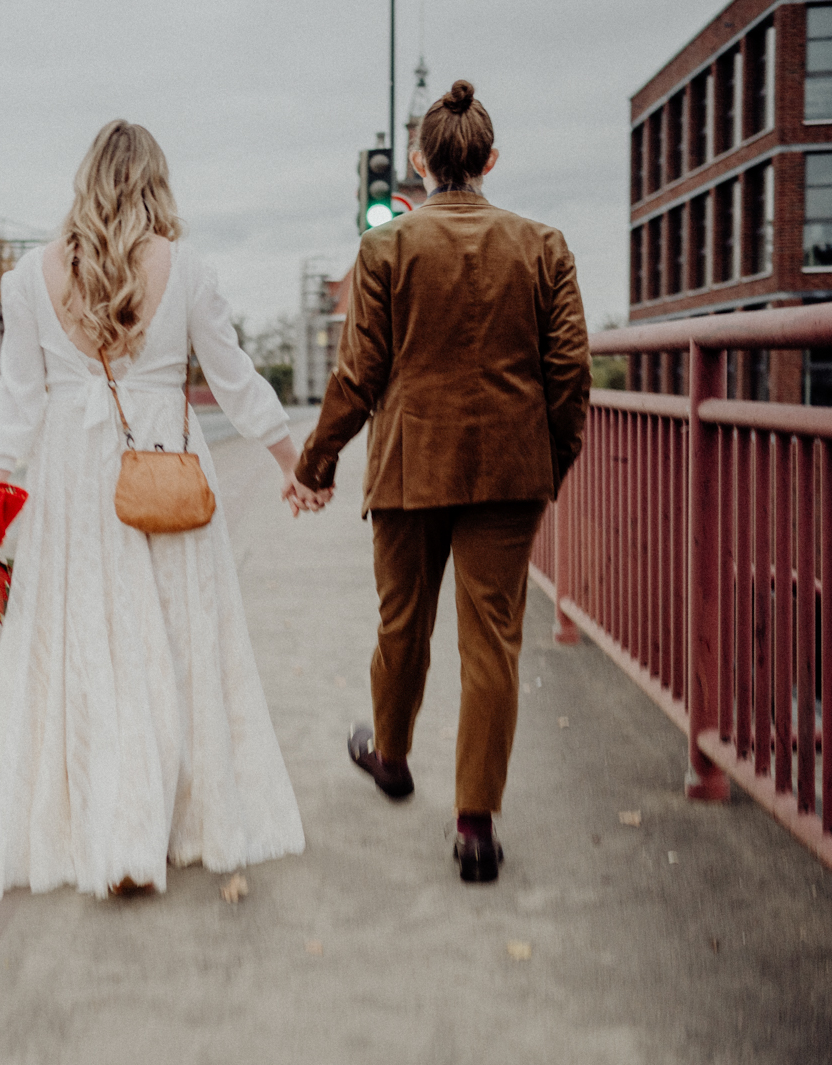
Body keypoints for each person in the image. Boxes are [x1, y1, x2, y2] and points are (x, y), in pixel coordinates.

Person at [0, 120, 307, 900]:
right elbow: (235, 378)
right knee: (175, 645)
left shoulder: (28, 279)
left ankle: (106, 825)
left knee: (86, 647)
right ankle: (166, 823)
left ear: (85, 180)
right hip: (164, 472)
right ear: (155, 182)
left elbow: (18, 400)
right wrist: (292, 464)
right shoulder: (188, 270)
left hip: (74, 482)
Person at [289, 81, 591, 883]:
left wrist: (315, 461)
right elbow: (570, 372)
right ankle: (475, 826)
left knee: (402, 624)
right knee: (491, 641)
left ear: (420, 163)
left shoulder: (386, 250)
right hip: (508, 473)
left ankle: (391, 756)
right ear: (490, 161)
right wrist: (548, 461)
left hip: (410, 467)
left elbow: (358, 374)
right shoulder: (544, 245)